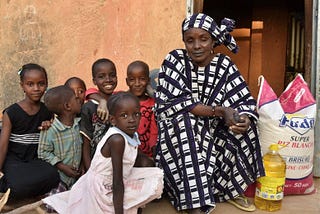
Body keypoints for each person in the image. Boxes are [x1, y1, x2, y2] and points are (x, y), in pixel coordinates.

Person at [154, 13, 265, 213]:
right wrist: (220, 111)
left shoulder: (224, 65)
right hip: (179, 138)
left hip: (213, 135)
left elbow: (244, 100)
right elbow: (180, 104)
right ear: (184, 43)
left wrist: (244, 119)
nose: (196, 46)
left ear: (213, 40)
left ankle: (222, 190)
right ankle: (192, 200)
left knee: (247, 127)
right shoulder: (175, 60)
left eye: (203, 39)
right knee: (185, 121)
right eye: (190, 40)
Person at [42, 92, 164, 213]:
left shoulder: (130, 133)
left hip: (115, 179)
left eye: (136, 114)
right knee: (146, 187)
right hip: (102, 188)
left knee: (153, 177)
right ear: (113, 120)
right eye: (124, 115)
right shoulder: (117, 140)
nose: (132, 120)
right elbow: (117, 182)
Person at [0, 63, 60, 200]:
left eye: (41, 84)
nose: (36, 89)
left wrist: (49, 126)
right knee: (17, 186)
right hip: (13, 159)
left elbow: (53, 136)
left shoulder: (47, 111)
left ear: (46, 84)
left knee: (53, 176)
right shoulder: (11, 112)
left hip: (34, 159)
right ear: (22, 86)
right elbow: (3, 146)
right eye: (30, 84)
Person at [38, 85, 83, 191]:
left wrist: (81, 166)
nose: (79, 100)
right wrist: (62, 166)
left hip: (77, 177)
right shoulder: (50, 130)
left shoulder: (79, 124)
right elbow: (43, 152)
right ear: (67, 106)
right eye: (76, 99)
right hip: (59, 179)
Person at [80, 58, 117, 171]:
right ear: (94, 81)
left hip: (119, 163)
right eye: (101, 76)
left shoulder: (121, 102)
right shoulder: (89, 108)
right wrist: (90, 171)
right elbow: (86, 145)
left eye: (112, 75)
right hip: (97, 165)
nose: (108, 80)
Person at [126, 60, 158, 158]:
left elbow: (154, 132)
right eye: (132, 80)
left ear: (148, 81)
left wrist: (153, 156)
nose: (137, 84)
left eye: (142, 79)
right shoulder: (122, 101)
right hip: (127, 155)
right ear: (127, 82)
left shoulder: (153, 103)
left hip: (148, 156)